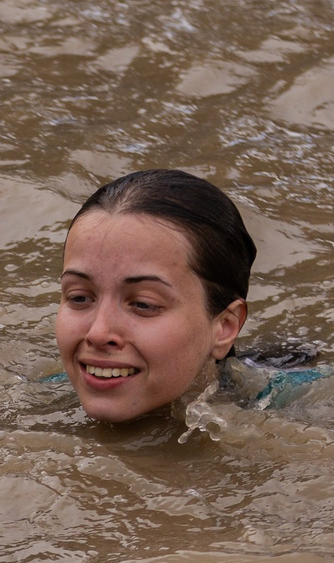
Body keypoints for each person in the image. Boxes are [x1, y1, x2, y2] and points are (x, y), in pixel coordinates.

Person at [57, 168, 312, 424]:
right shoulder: (37, 404)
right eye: (79, 297)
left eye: (143, 304)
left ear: (225, 326)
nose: (98, 334)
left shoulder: (300, 414)